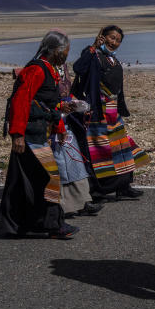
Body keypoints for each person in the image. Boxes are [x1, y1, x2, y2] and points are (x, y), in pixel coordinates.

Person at [0, 30, 78, 239]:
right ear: (56, 50)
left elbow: (48, 103)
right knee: (49, 177)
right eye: (66, 51)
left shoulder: (48, 70)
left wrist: (59, 126)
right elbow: (21, 101)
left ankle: (22, 225)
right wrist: (17, 135)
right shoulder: (37, 70)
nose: (67, 55)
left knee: (29, 181)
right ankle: (50, 225)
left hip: (38, 132)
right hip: (29, 135)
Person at [72, 25, 150, 201]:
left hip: (113, 111)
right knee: (101, 150)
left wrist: (121, 108)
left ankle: (123, 186)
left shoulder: (112, 59)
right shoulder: (92, 54)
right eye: (111, 38)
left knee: (121, 147)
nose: (114, 42)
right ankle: (98, 190)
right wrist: (93, 46)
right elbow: (79, 68)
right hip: (98, 112)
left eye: (118, 40)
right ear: (102, 36)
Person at [49, 48, 102, 219]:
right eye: (61, 49)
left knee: (75, 162)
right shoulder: (44, 68)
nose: (64, 53)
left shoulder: (62, 67)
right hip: (53, 122)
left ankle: (83, 201)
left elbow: (66, 91)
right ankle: (62, 207)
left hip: (66, 120)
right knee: (60, 165)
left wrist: (75, 103)